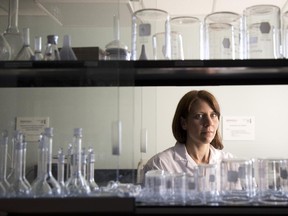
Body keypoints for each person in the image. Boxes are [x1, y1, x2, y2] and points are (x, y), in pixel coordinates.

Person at [142, 89, 234, 183]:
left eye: (213, 115)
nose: (209, 123)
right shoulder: (160, 164)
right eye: (200, 116)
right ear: (184, 123)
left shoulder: (229, 163)